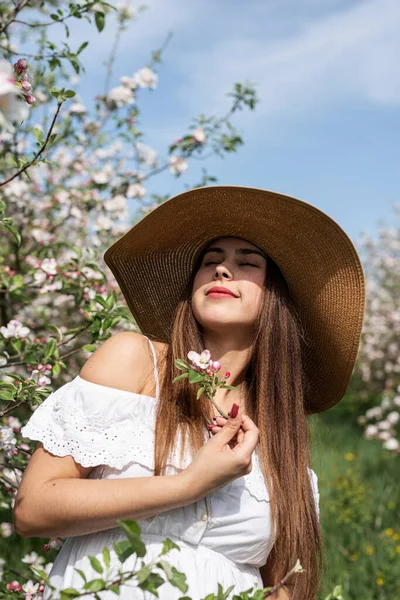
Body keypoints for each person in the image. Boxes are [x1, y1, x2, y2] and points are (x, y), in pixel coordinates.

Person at [13, 186, 366, 600]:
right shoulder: (136, 363)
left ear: (277, 301)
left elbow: (287, 583)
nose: (221, 271)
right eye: (210, 261)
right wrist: (189, 485)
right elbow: (33, 508)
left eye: (246, 262)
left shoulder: (278, 430)